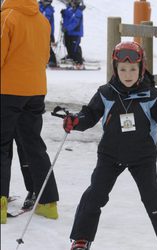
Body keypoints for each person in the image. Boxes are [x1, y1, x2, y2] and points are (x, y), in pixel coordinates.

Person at [63, 41, 157, 250]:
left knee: (153, 199)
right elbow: (90, 114)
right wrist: (76, 120)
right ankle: (81, 239)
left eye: (132, 69)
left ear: (141, 69)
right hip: (110, 155)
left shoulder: (152, 95)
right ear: (115, 69)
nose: (127, 74)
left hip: (143, 156)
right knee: (95, 195)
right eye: (122, 69)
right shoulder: (106, 93)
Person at [1, 0, 59, 224]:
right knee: (33, 143)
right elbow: (44, 57)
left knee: (2, 145)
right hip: (35, 90)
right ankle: (47, 202)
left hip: (7, 91)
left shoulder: (7, 17)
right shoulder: (42, 21)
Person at [61, 0, 85, 69]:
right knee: (67, 45)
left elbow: (75, 22)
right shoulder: (69, 9)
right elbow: (67, 18)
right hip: (68, 32)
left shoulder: (78, 11)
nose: (72, 4)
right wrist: (64, 13)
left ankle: (79, 61)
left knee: (74, 47)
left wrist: (67, 28)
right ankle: (71, 57)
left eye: (73, 2)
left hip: (75, 33)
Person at [39, 0, 58, 67]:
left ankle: (52, 61)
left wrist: (51, 34)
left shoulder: (49, 10)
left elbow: (49, 22)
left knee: (47, 46)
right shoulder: (38, 6)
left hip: (46, 31)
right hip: (38, 30)